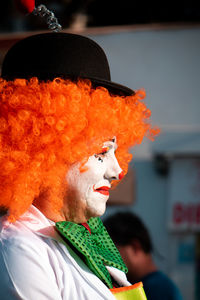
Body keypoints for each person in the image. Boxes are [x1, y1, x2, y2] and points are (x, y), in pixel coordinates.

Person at [0, 31, 158, 299]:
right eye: (101, 152)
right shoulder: (19, 249)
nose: (117, 171)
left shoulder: (82, 242)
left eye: (116, 152)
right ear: (47, 148)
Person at [104, 212, 183, 300]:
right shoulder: (159, 286)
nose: (106, 260)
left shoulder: (157, 290)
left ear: (135, 247)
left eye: (110, 251)